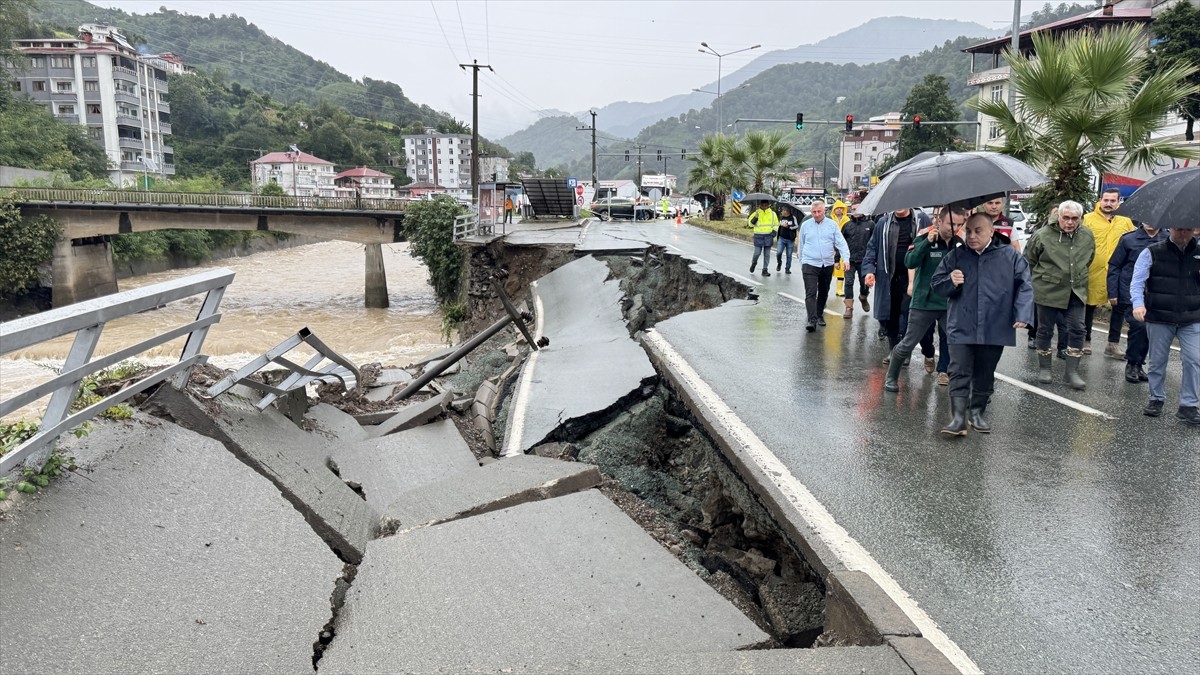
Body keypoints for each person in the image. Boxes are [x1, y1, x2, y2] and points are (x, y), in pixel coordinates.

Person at [931, 213, 1034, 435]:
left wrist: (1023, 314)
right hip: (961, 323)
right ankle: (958, 418)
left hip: (995, 324)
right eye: (968, 231)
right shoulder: (956, 256)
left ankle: (976, 412)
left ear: (991, 232)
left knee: (985, 371)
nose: (972, 236)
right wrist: (951, 281)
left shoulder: (1010, 256)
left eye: (978, 231)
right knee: (958, 369)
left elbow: (1025, 285)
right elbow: (936, 284)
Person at [884, 205, 967, 392]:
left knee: (958, 344)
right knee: (908, 343)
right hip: (924, 302)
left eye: (960, 224)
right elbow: (910, 261)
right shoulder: (923, 239)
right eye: (950, 224)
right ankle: (891, 377)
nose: (954, 228)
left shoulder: (959, 244)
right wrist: (926, 243)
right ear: (939, 221)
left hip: (948, 303)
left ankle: (958, 381)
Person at [1131, 225, 1200, 425]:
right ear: (1170, 229)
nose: (1183, 234)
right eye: (1179, 229)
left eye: (1188, 230)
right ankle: (1156, 398)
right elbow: (1137, 281)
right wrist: (1138, 304)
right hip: (1159, 315)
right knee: (1157, 361)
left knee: (1194, 360)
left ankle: (1188, 405)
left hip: (1192, 316)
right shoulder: (1152, 252)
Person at [1024, 200, 1096, 390]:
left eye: (1075, 218)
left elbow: (1089, 259)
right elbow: (1030, 260)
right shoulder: (1042, 235)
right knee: (1045, 329)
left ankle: (1071, 372)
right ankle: (1045, 368)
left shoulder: (1087, 235)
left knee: (1079, 329)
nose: (1070, 222)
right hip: (1048, 290)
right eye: (1066, 218)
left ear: (1080, 219)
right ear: (1059, 216)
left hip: (1076, 290)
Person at [863, 206, 932, 351]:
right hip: (890, 277)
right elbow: (872, 248)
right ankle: (894, 351)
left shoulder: (922, 220)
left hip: (915, 278)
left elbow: (932, 246)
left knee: (907, 314)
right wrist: (869, 271)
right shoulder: (883, 223)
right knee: (890, 316)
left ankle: (904, 352)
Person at [1107, 220, 1167, 383]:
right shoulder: (1129, 239)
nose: (1149, 222)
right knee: (1138, 327)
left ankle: (1139, 364)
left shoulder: (1167, 238)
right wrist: (1113, 292)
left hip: (1156, 293)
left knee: (1149, 330)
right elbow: (1114, 266)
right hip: (1130, 291)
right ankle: (1132, 363)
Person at [1082, 188, 1135, 356]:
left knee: (1118, 307)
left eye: (1113, 201)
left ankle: (1112, 344)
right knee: (1089, 306)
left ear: (1118, 202)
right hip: (1093, 271)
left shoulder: (1125, 221)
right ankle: (1086, 340)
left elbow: (1133, 241)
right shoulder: (1088, 219)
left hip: (1117, 273)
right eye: (1106, 200)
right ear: (1100, 200)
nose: (1108, 204)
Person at [796, 201, 851, 332]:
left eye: (819, 212)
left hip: (827, 264)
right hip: (809, 263)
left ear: (824, 211)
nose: (816, 214)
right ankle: (812, 319)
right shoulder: (806, 225)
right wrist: (802, 262)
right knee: (810, 292)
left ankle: (820, 314)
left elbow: (841, 243)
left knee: (823, 291)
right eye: (814, 212)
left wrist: (846, 259)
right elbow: (801, 244)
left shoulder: (832, 225)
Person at [840, 204, 875, 319]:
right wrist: (836, 259)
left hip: (865, 261)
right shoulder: (847, 225)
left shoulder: (870, 224)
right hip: (849, 260)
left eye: (859, 209)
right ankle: (849, 308)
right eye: (854, 209)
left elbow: (875, 243)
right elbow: (840, 243)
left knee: (864, 284)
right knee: (848, 282)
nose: (856, 211)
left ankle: (863, 297)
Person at [747, 199, 779, 277]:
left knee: (767, 254)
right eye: (762, 205)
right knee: (757, 253)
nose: (764, 206)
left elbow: (776, 224)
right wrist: (755, 218)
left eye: (766, 205)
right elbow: (750, 224)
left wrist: (773, 233)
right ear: (760, 205)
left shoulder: (772, 214)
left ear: (768, 205)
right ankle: (754, 263)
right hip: (758, 236)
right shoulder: (756, 213)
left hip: (768, 236)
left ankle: (765, 269)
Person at [830, 200, 850, 295]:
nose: (838, 210)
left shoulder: (847, 220)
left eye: (840, 208)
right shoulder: (830, 219)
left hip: (841, 244)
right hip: (830, 245)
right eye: (837, 208)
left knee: (841, 269)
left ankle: (839, 289)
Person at [775, 204, 800, 275]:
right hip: (781, 238)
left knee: (789, 255)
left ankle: (787, 268)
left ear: (786, 211)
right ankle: (779, 263)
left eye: (783, 210)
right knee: (779, 252)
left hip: (790, 239)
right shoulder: (781, 218)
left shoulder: (793, 218)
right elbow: (779, 226)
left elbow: (796, 226)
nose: (782, 212)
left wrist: (788, 226)